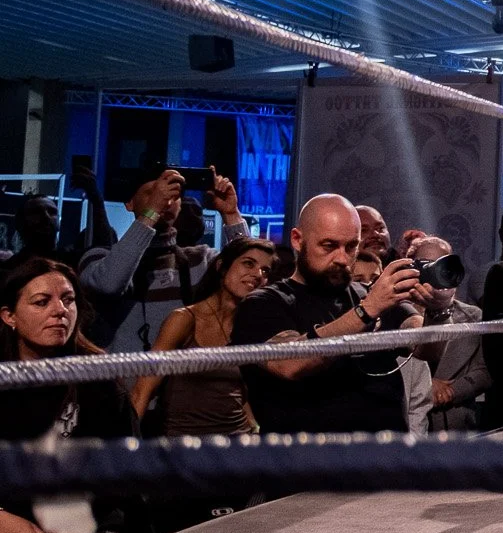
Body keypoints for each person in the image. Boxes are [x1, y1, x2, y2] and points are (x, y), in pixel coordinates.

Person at [232, 195, 420, 434]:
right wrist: (366, 312)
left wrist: (439, 310)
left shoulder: (370, 294)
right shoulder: (262, 304)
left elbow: (425, 346)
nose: (342, 258)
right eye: (329, 246)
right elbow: (289, 364)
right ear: (298, 240)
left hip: (387, 460)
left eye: (351, 246)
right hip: (307, 463)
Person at [0, 261, 135, 533]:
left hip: (87, 522)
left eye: (68, 299)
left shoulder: (99, 378)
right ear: (9, 317)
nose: (60, 310)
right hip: (10, 519)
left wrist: (79, 523)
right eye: (42, 302)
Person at [76, 168, 250, 353]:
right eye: (152, 193)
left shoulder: (200, 260)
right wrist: (152, 213)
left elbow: (249, 274)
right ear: (130, 203)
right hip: (119, 377)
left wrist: (231, 214)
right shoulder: (97, 257)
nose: (165, 200)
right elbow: (109, 284)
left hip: (182, 377)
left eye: (174, 195)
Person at [129, 235, 273, 437]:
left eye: (265, 271)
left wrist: (255, 428)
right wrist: (124, 451)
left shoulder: (249, 327)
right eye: (248, 263)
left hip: (238, 446)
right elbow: (142, 390)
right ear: (222, 267)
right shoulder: (184, 319)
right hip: (184, 447)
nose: (258, 274)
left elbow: (238, 391)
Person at [409, 236, 489, 432]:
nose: (438, 271)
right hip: (406, 426)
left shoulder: (473, 317)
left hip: (457, 426)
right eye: (428, 265)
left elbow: (485, 371)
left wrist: (450, 392)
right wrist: (426, 388)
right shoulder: (398, 312)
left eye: (444, 263)